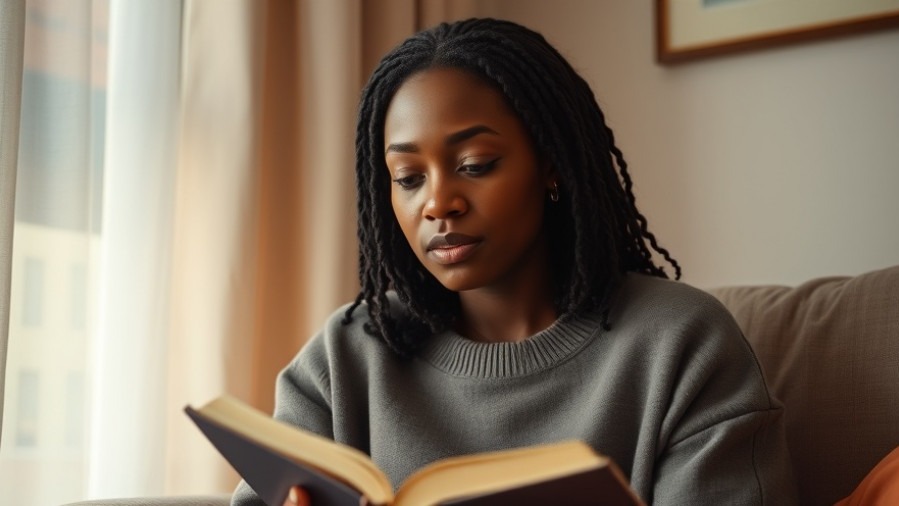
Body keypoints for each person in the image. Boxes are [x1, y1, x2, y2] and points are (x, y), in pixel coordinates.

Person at [232, 18, 797, 505]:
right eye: (407, 178)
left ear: (551, 165)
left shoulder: (681, 344)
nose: (437, 203)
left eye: (476, 164)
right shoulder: (348, 354)